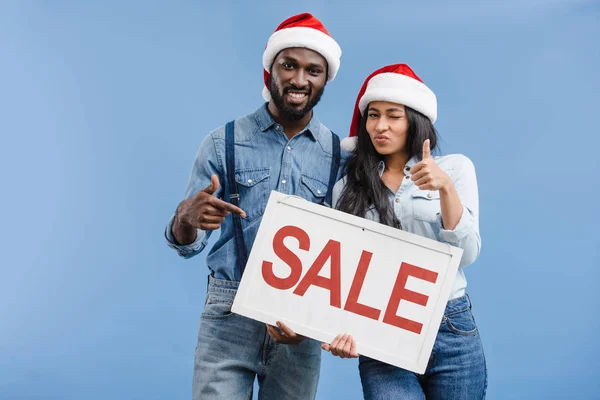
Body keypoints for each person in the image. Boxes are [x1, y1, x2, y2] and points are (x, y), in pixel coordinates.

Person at [165, 13, 343, 400]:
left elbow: (349, 249)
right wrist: (185, 219)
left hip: (300, 318)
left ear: (325, 79)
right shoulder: (222, 142)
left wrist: (322, 319)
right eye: (289, 65)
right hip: (229, 311)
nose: (299, 80)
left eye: (313, 70)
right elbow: (185, 244)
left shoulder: (338, 155)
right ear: (270, 71)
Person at [322, 64, 487, 399]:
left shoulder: (454, 169)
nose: (380, 126)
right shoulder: (347, 188)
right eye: (372, 115)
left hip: (450, 326)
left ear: (415, 119)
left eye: (393, 116)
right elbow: (341, 267)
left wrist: (445, 190)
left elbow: (467, 255)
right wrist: (342, 329)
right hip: (382, 331)